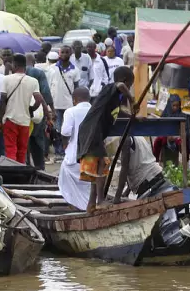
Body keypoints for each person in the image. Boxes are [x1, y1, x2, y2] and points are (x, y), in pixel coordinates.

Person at [107, 136, 190, 247]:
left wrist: (117, 197)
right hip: (157, 179)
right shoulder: (139, 136)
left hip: (150, 186)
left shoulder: (126, 139)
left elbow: (124, 168)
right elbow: (140, 164)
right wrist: (126, 191)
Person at [77, 66, 135, 210]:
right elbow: (120, 85)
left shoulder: (113, 98)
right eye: (129, 85)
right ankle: (100, 200)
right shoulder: (110, 88)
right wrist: (132, 99)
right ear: (124, 81)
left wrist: (135, 117)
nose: (128, 88)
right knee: (101, 164)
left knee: (98, 165)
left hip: (92, 131)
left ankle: (92, 203)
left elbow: (120, 111)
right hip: (92, 131)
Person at [0, 54, 45, 164]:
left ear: (14, 65)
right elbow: (39, 99)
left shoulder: (6, 79)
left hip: (10, 119)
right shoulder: (33, 81)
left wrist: (1, 120)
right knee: (22, 150)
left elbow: (2, 100)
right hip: (25, 121)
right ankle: (21, 172)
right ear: (25, 66)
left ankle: (12, 172)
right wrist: (31, 109)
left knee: (10, 148)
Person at [59, 87, 93, 210]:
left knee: (65, 176)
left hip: (74, 158)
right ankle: (88, 206)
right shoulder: (95, 111)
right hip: (93, 158)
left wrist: (65, 145)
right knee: (89, 185)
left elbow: (65, 132)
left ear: (74, 100)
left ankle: (75, 206)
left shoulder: (71, 111)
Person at [48, 46, 80, 160]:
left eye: (67, 52)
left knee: (67, 129)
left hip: (68, 105)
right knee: (56, 129)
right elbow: (48, 86)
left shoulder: (75, 70)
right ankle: (58, 152)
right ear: (59, 54)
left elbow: (76, 88)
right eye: (63, 52)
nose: (64, 54)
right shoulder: (52, 68)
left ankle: (67, 151)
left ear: (71, 54)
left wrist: (76, 102)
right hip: (55, 104)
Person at [26, 54, 54, 169]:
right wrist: (51, 110)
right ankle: (39, 167)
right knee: (38, 140)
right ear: (34, 61)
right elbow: (45, 93)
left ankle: (26, 166)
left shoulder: (13, 73)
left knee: (24, 142)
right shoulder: (38, 73)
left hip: (21, 113)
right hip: (37, 113)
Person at [152, 94, 187, 163]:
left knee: (184, 144)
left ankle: (186, 161)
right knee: (157, 141)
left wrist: (177, 136)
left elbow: (185, 129)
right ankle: (155, 161)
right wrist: (167, 135)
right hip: (166, 135)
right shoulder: (165, 114)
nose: (175, 108)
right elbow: (161, 126)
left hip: (177, 135)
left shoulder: (182, 115)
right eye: (174, 105)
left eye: (177, 106)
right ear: (169, 105)